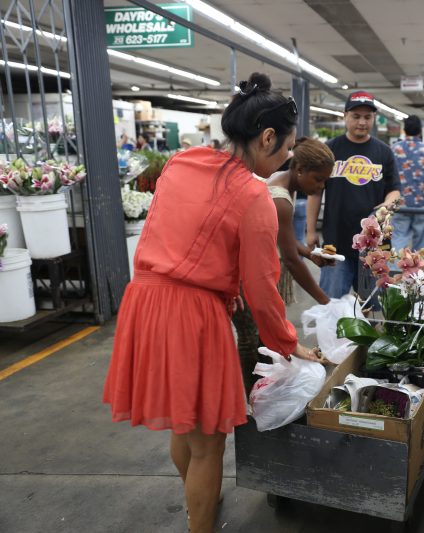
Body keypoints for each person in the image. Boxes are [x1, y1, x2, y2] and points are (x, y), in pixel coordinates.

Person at [103, 72, 320, 533]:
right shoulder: (253, 197)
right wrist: (287, 342)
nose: (286, 157)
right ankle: (199, 521)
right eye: (285, 147)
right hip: (191, 316)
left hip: (144, 302)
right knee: (208, 445)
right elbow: (262, 289)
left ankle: (196, 504)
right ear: (266, 138)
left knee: (185, 423)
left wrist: (219, 284)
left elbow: (176, 233)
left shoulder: (181, 162)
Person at [306, 90, 400, 298]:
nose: (362, 122)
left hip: (374, 246)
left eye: (367, 117)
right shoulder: (329, 151)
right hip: (335, 241)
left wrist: (388, 203)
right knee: (331, 302)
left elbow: (394, 189)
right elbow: (315, 193)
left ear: (374, 118)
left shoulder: (384, 152)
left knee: (373, 306)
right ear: (345, 116)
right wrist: (310, 230)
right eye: (356, 116)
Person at [260, 136, 336, 305]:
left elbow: (284, 237)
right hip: (257, 275)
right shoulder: (280, 199)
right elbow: (291, 260)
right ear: (300, 170)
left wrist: (310, 254)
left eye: (325, 180)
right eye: (318, 179)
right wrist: (326, 302)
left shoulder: (284, 180)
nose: (322, 186)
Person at [391, 115, 424, 251]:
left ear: (404, 130)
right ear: (420, 131)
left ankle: (395, 271)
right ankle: (418, 271)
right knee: (421, 243)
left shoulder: (393, 150)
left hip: (399, 202)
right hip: (422, 204)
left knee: (398, 239)